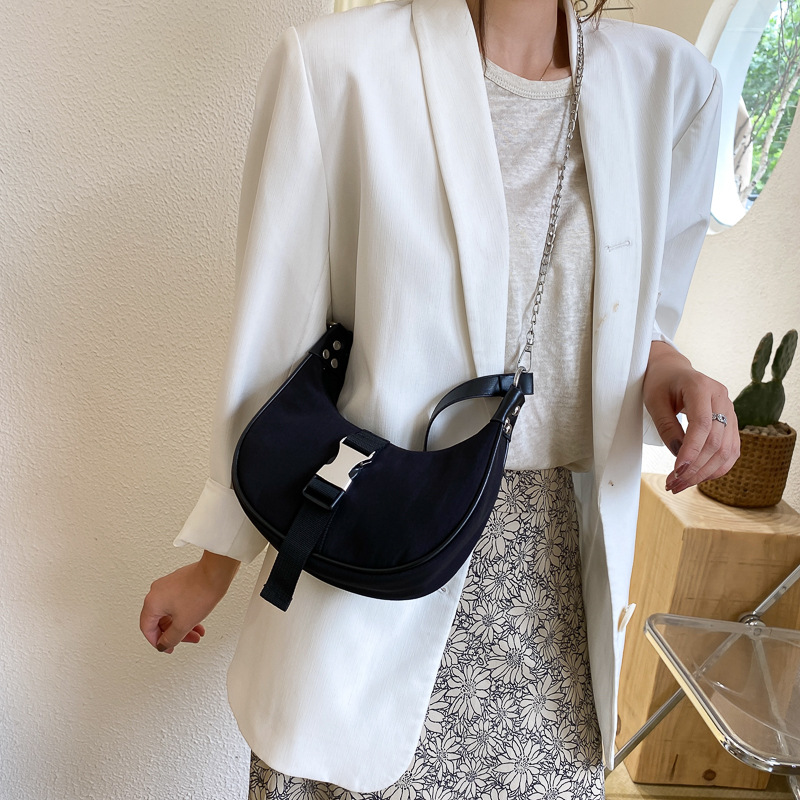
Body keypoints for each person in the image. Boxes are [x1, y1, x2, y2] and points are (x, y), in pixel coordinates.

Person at [140, 0, 739, 796]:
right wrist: (217, 560)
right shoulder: (338, 67)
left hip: (544, 584)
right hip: (369, 539)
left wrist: (674, 375)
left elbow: (643, 323)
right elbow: (276, 351)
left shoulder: (672, 86)